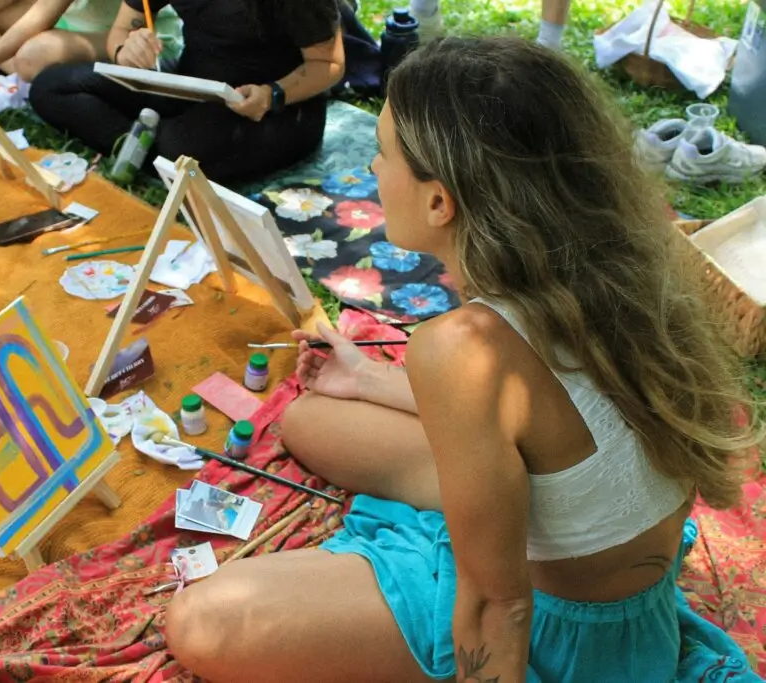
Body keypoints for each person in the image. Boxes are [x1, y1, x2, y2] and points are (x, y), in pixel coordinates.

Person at [160, 37, 765, 682]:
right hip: (602, 565)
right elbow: (533, 409)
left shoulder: (462, 345)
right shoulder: (612, 267)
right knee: (310, 421)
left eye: (384, 152)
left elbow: (499, 606)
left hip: (562, 630)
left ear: (439, 202)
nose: (371, 165)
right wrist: (366, 378)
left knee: (202, 621)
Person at [28, 0, 345, 184]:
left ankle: (149, 145)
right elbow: (122, 31)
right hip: (192, 85)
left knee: (182, 153)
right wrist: (126, 51)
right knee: (53, 87)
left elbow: (329, 64)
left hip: (275, 107)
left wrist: (273, 94)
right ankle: (137, 142)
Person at [0, 0, 181, 85]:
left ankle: (25, 69)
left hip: (137, 36)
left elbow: (40, 16)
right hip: (73, 18)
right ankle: (20, 72)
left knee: (34, 53)